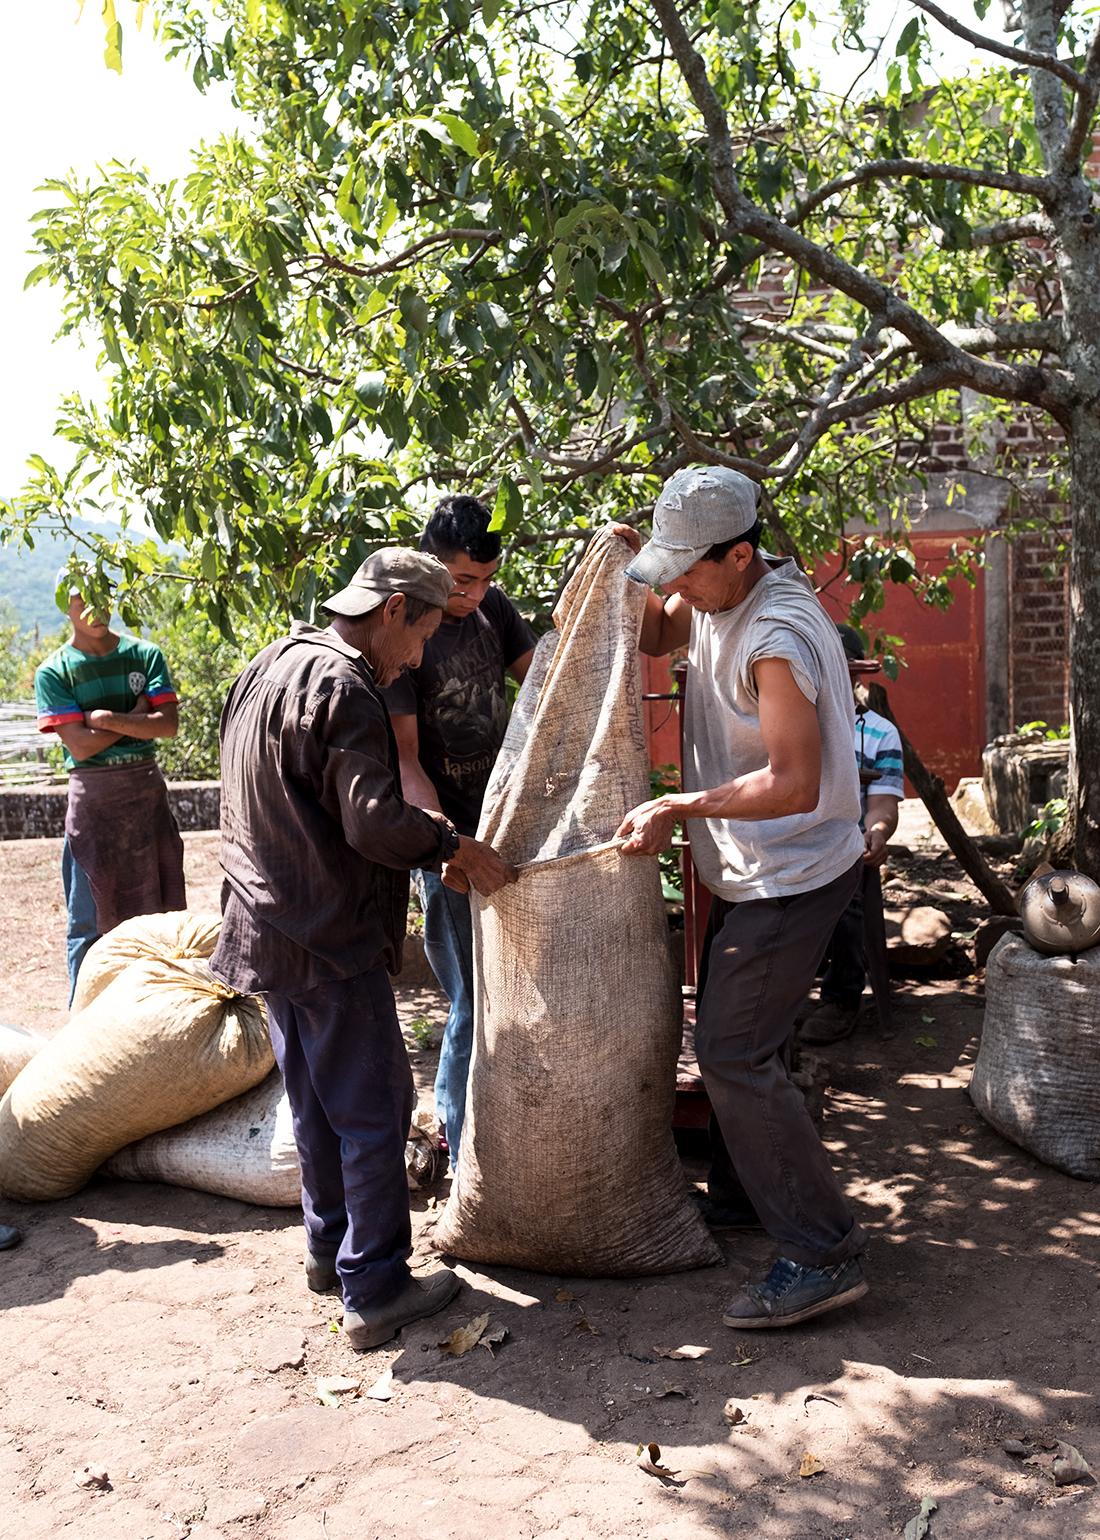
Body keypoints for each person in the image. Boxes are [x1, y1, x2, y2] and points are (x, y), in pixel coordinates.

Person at [210, 548, 516, 1351]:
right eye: (419, 637)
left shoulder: (272, 660)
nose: (417, 658)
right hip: (326, 932)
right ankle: (376, 1287)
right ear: (393, 611)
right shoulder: (345, 687)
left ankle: (328, 1254)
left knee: (314, 1102)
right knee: (375, 1110)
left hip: (264, 924)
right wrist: (452, 844)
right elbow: (374, 821)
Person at [612, 465, 869, 1330]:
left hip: (791, 872)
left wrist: (683, 806)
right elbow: (655, 634)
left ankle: (823, 1251)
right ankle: (743, 1195)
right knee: (743, 1036)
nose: (676, 586)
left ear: (742, 553)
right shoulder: (715, 593)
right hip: (749, 866)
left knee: (731, 1051)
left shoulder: (779, 634)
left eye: (687, 569)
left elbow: (796, 784)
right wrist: (617, 570)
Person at [382, 495, 534, 1164]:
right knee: (473, 997)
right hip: (446, 847)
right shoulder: (406, 630)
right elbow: (407, 761)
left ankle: (503, 1128)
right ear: (431, 568)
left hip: (506, 825)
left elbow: (541, 685)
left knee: (513, 992)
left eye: (487, 579)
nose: (475, 594)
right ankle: (460, 1141)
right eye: (464, 581)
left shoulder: (493, 612)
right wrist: (444, 843)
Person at [34, 573, 185, 1003]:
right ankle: (84, 1016)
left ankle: (163, 1003)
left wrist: (102, 719)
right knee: (88, 917)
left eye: (103, 597)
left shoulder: (145, 654)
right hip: (94, 800)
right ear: (66, 605)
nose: (95, 609)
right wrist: (136, 718)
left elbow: (169, 725)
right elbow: (79, 747)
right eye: (83, 600)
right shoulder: (55, 670)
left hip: (147, 795)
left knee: (162, 906)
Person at [799, 625, 903, 1044]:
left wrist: (876, 832)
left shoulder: (880, 733)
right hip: (789, 843)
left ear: (856, 674)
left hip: (844, 845)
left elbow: (883, 806)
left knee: (846, 883)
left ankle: (842, 999)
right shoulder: (788, 719)